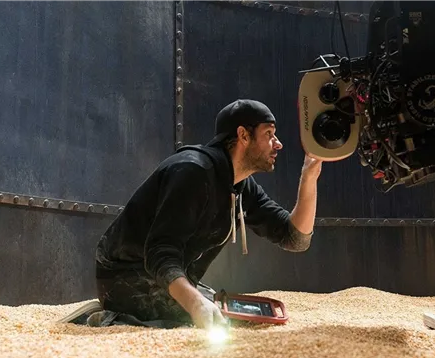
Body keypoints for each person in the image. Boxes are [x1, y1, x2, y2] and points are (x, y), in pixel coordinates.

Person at [60, 99, 323, 330]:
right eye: (269, 134)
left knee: (224, 312)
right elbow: (160, 252)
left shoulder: (240, 184)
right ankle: (106, 317)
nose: (278, 143)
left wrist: (308, 177)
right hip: (124, 276)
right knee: (202, 320)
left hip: (161, 276)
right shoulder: (193, 172)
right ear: (243, 136)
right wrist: (195, 304)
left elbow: (295, 239)